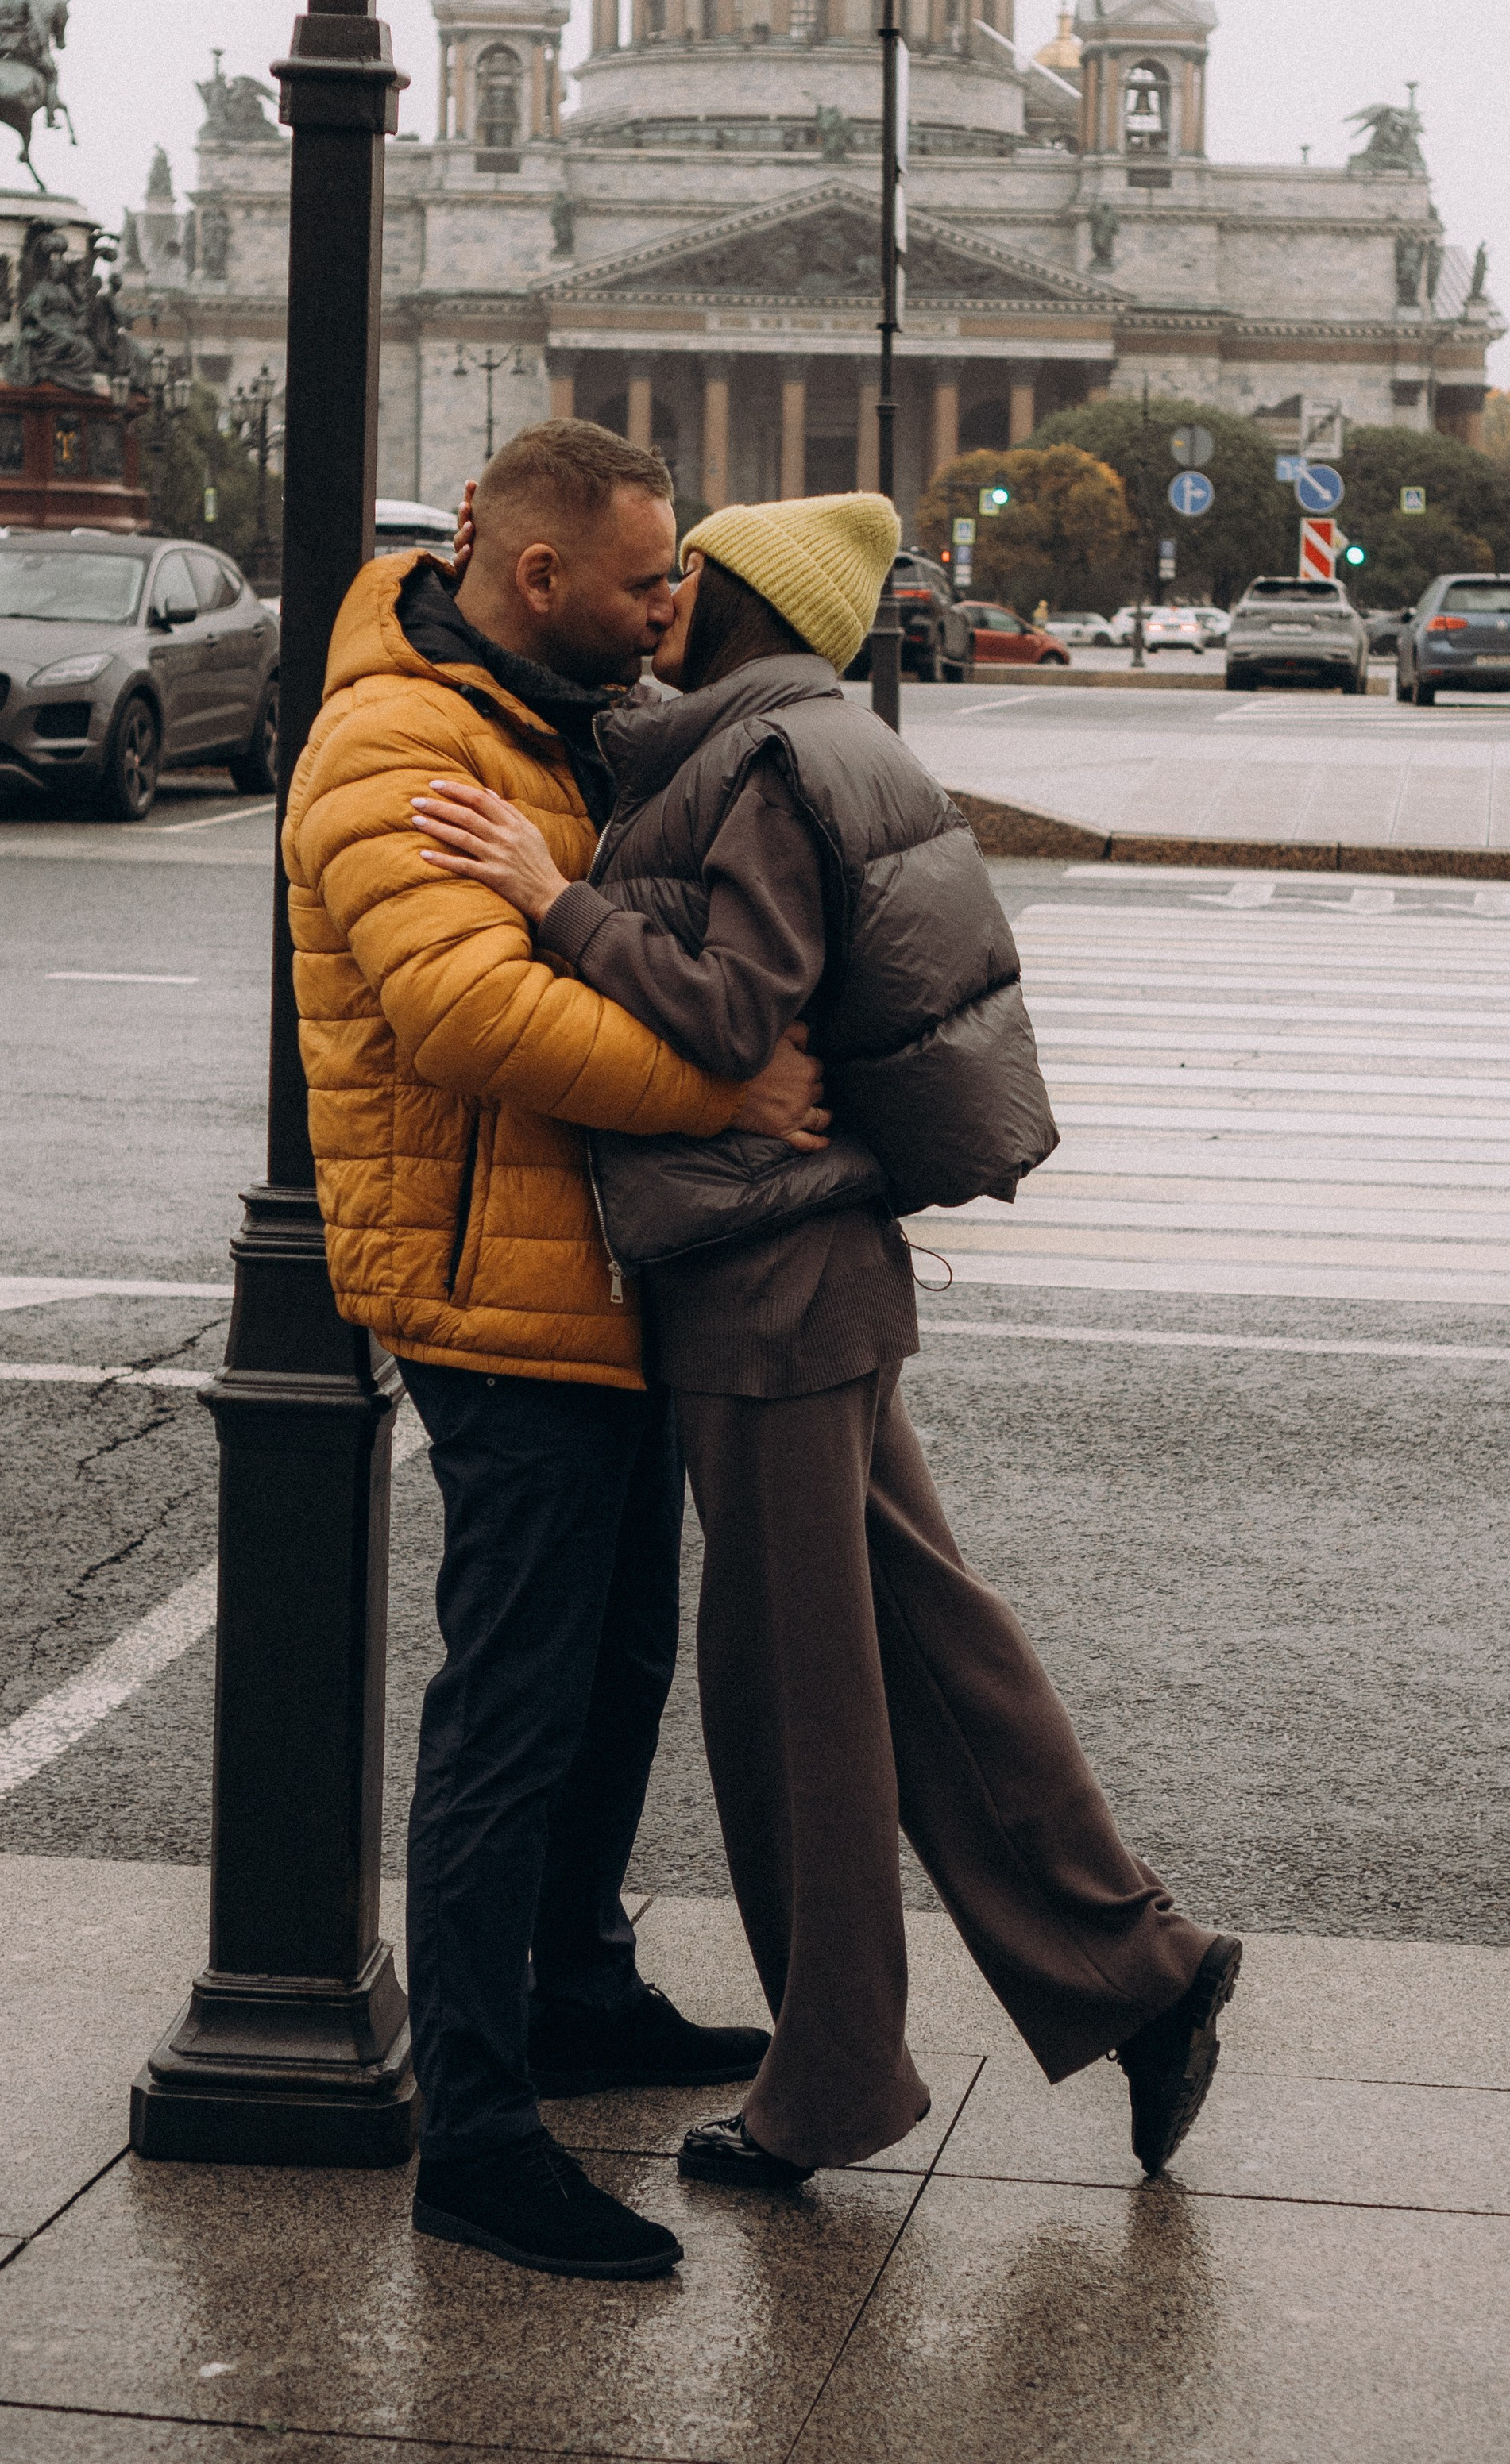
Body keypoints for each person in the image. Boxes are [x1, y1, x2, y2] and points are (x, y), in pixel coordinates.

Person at [411, 491, 1242, 2189]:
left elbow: (728, 1010)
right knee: (928, 1652)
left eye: (681, 573)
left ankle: (833, 2081)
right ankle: (1138, 1971)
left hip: (764, 1280)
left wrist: (544, 897)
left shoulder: (772, 766)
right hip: (805, 1274)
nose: (657, 597)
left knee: (795, 1702)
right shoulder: (799, 736)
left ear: (740, 598)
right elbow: (689, 830)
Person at [282, 421, 832, 2284]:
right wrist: (729, 1084)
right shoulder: (394, 741)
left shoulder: (544, 713)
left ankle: (577, 1988)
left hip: (587, 1275)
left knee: (612, 1665)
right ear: (536, 579)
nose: (670, 606)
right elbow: (468, 1015)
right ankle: (482, 2136)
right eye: (645, 581)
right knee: (509, 1712)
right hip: (491, 1287)